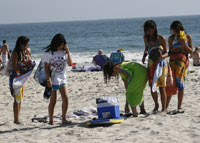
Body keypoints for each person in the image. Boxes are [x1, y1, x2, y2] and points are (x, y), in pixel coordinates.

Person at [43, 33, 72, 125]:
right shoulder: (49, 53)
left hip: (63, 78)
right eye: (60, 44)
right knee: (53, 100)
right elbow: (46, 67)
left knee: (66, 98)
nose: (61, 46)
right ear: (56, 43)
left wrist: (68, 52)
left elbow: (70, 64)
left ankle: (63, 118)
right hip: (53, 79)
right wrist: (48, 79)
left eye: (63, 44)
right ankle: (51, 120)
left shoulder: (64, 52)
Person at [142, 20, 168, 113]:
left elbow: (167, 52)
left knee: (162, 86)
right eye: (146, 30)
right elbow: (146, 49)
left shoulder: (161, 38)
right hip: (151, 63)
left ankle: (164, 108)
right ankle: (156, 104)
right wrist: (144, 56)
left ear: (154, 29)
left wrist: (162, 56)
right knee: (152, 85)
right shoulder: (146, 38)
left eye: (149, 30)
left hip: (161, 64)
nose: (147, 32)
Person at [166, 21, 193, 112]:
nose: (174, 32)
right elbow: (170, 52)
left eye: (175, 30)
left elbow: (191, 52)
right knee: (170, 83)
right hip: (173, 61)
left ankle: (179, 106)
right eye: (173, 30)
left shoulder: (187, 37)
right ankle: (166, 107)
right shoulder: (171, 39)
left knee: (180, 83)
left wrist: (184, 44)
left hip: (182, 61)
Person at [10, 36, 34, 124]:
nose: (27, 46)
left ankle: (17, 117)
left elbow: (26, 61)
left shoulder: (24, 52)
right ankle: (16, 119)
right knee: (16, 99)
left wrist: (29, 61)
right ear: (21, 44)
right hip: (16, 77)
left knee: (20, 98)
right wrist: (25, 66)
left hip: (22, 77)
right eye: (26, 45)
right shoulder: (16, 53)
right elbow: (14, 66)